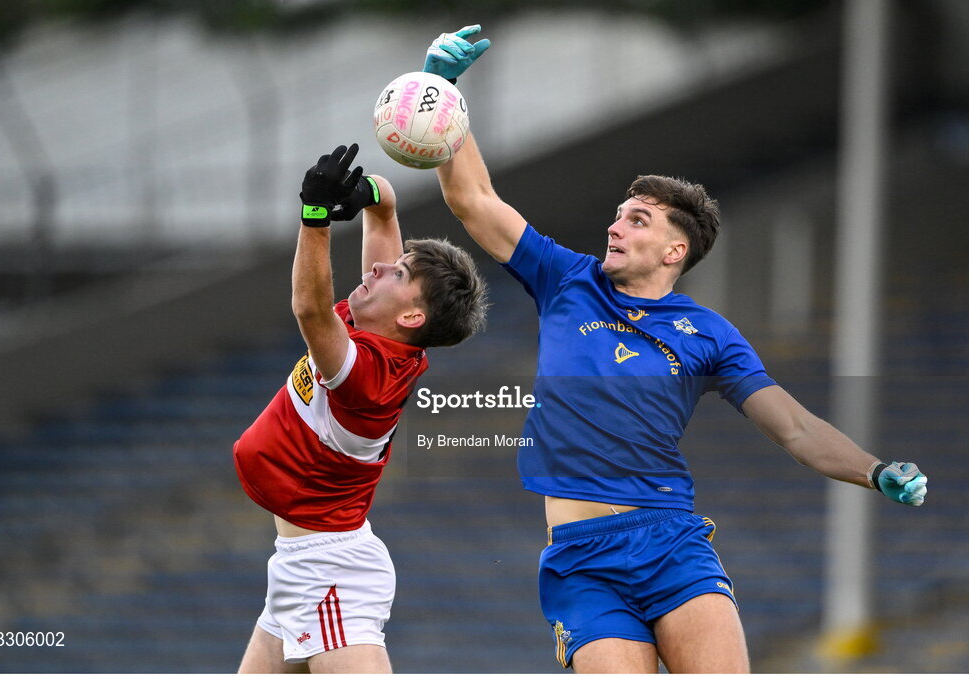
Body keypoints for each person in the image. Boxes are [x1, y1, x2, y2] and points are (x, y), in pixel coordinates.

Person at [422, 26, 929, 673]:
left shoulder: (710, 334)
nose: (615, 224)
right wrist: (443, 93)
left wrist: (874, 469)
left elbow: (795, 428)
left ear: (675, 251)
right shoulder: (566, 279)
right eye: (618, 213)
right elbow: (472, 198)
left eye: (637, 219)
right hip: (581, 558)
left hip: (670, 543)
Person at [233, 143, 487, 673]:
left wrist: (315, 216)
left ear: (413, 317)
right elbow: (386, 211)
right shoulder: (373, 327)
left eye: (396, 275)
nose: (376, 272)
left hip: (330, 572)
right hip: (301, 564)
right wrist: (369, 195)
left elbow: (308, 306)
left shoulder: (369, 375)